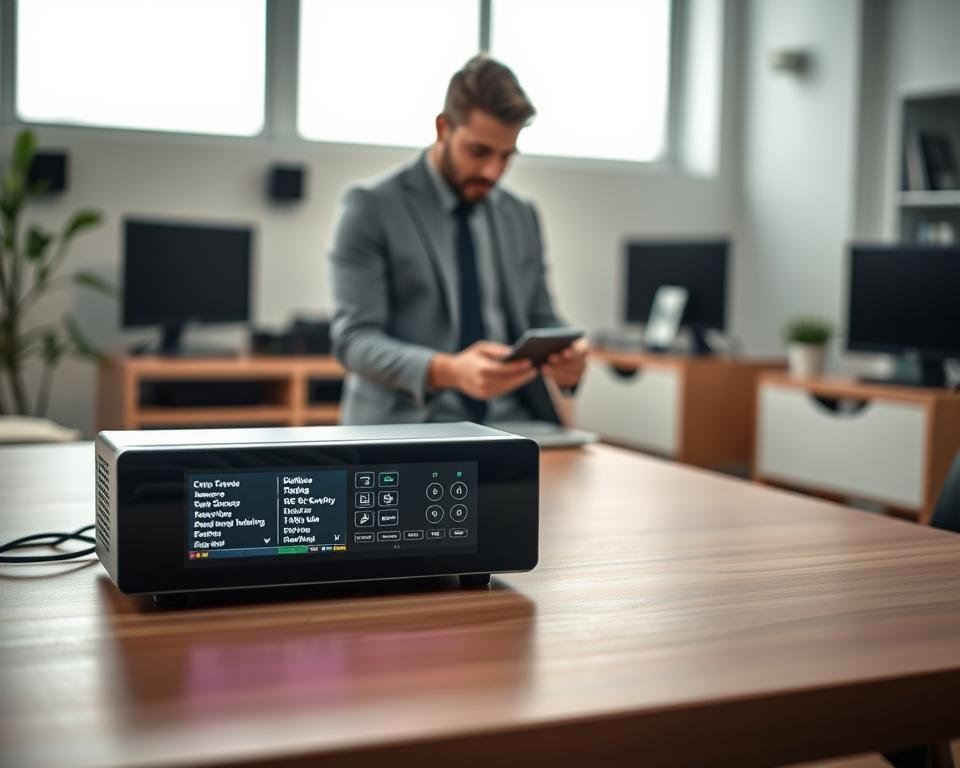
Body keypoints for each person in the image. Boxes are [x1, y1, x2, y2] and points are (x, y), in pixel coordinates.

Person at [329, 54, 587, 425]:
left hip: (514, 426)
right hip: (411, 426)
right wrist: (448, 370)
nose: (492, 171)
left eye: (506, 156)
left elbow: (541, 318)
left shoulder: (521, 214)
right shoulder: (370, 206)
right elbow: (354, 341)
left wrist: (569, 357)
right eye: (479, 151)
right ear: (443, 128)